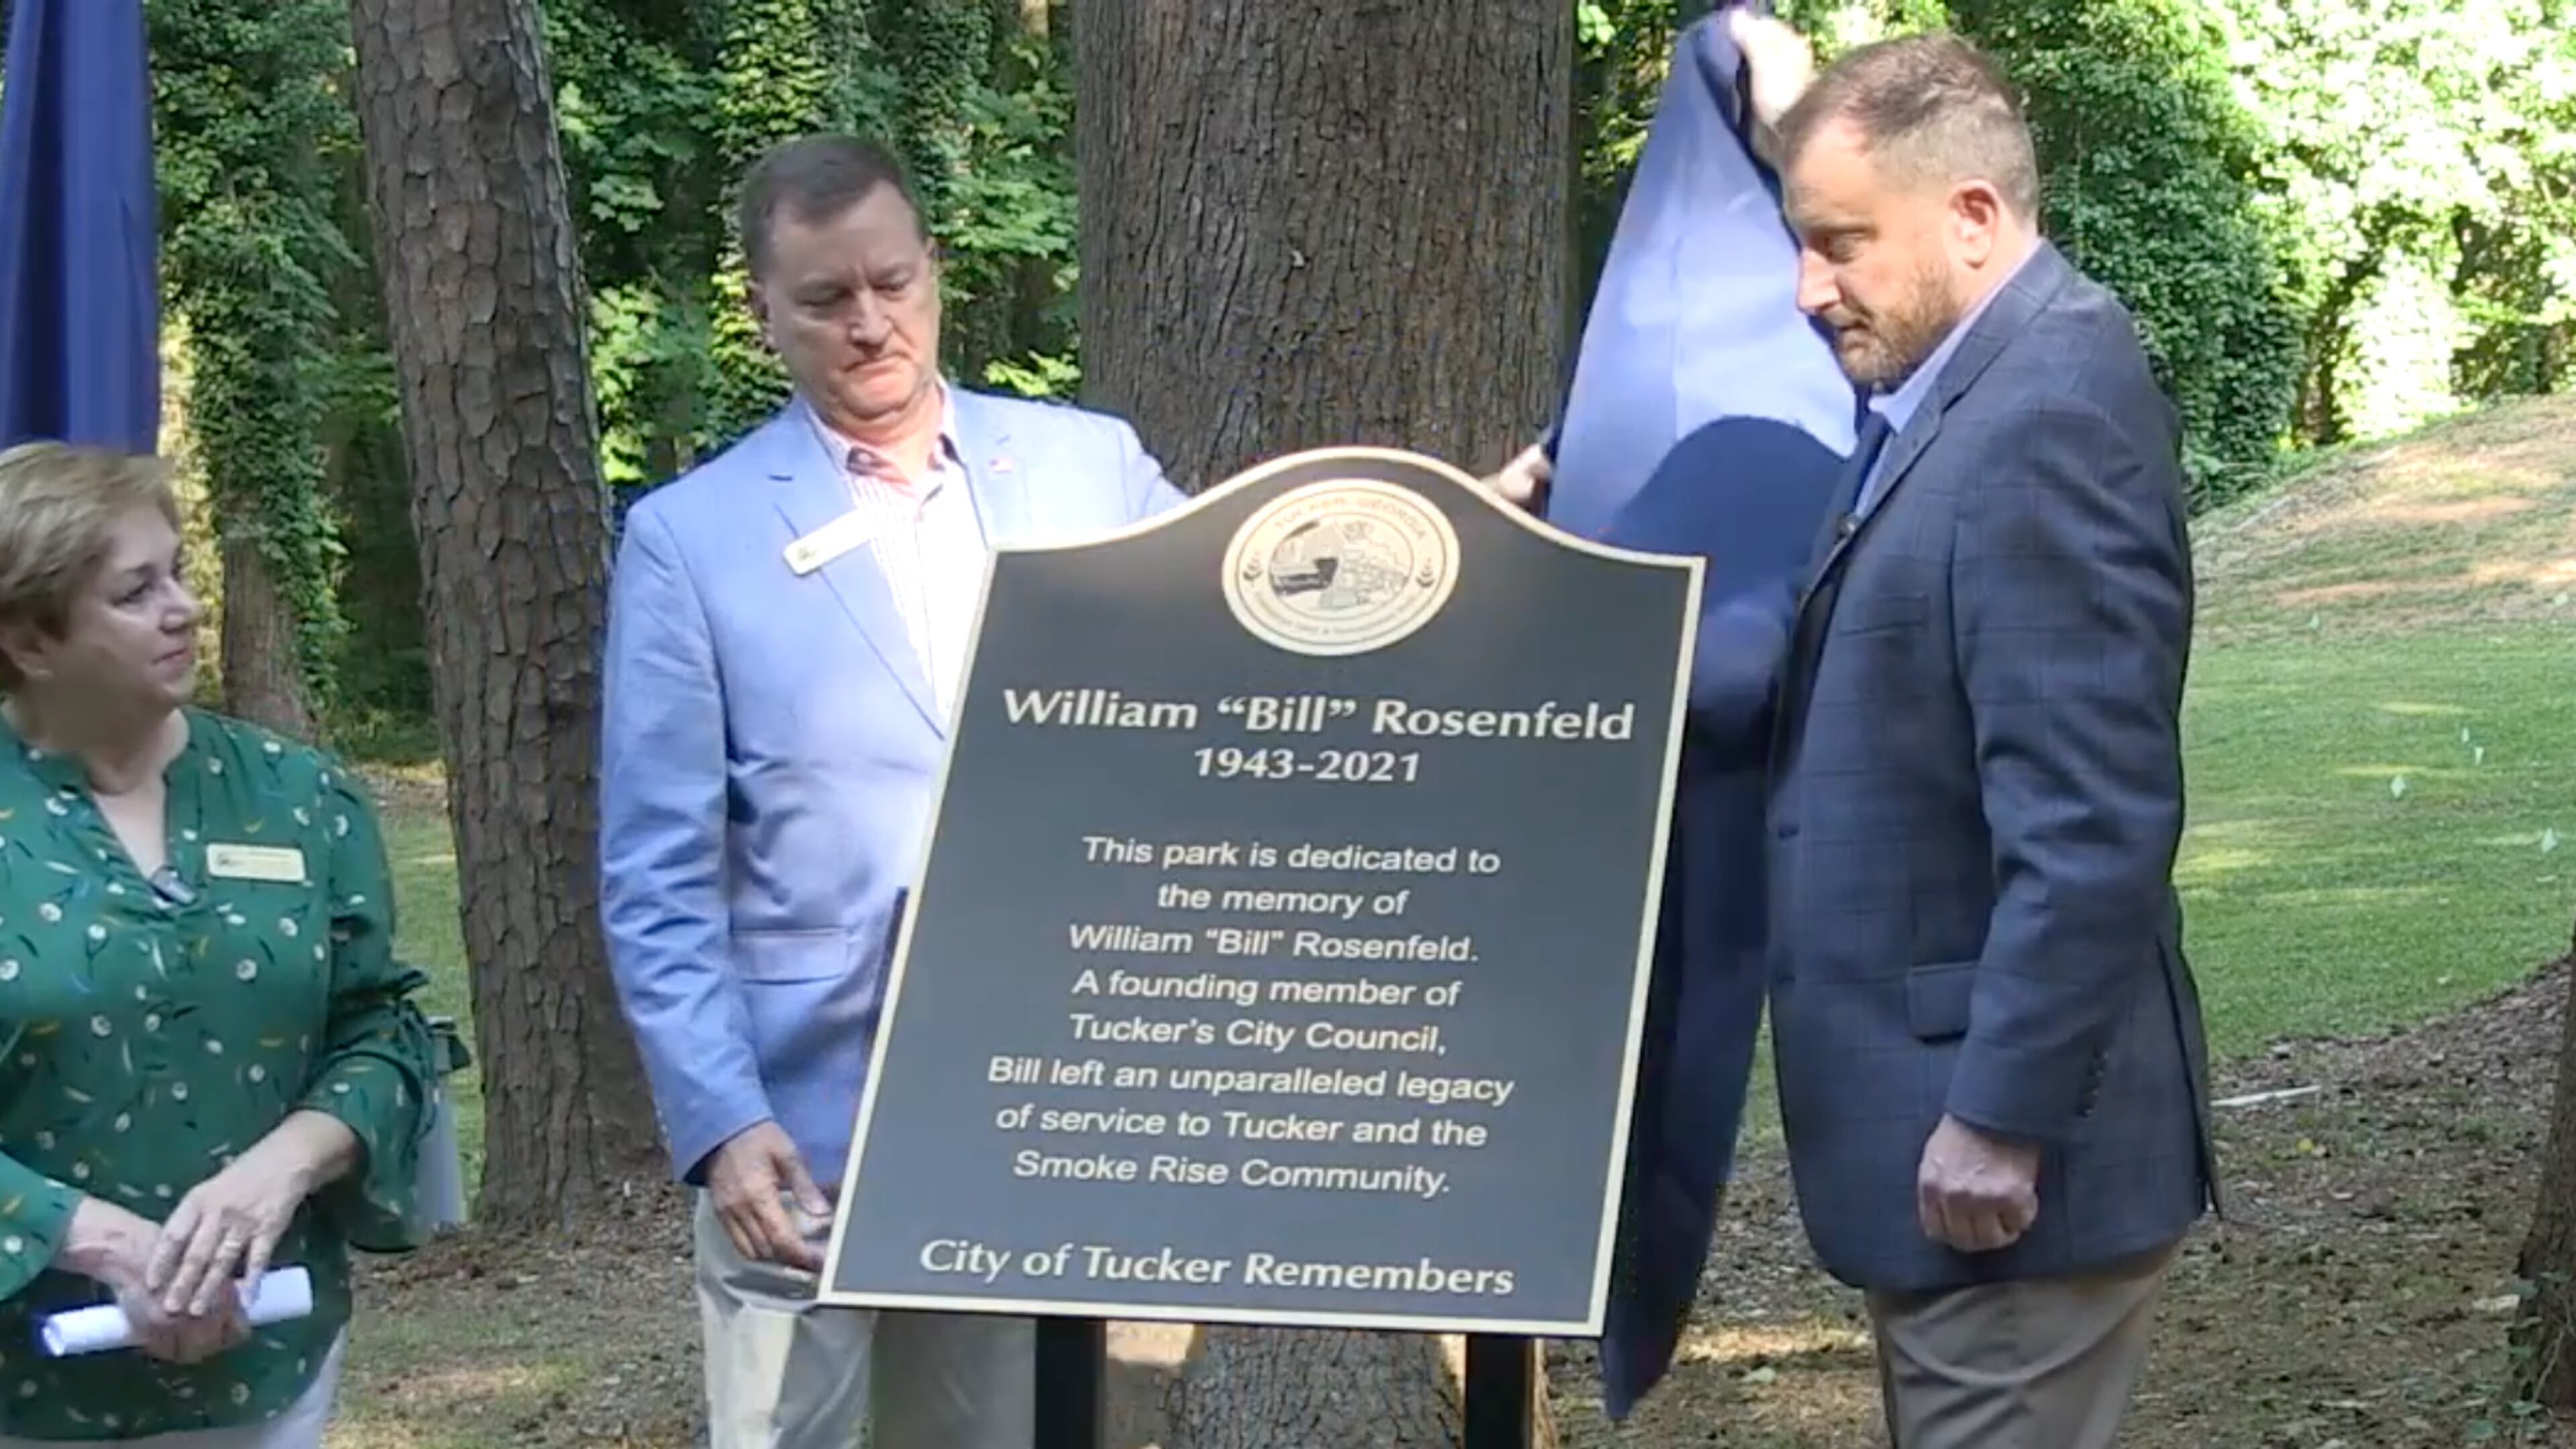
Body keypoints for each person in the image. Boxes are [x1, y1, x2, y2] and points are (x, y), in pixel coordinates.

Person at [596, 133, 1183, 1449]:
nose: (870, 324)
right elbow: (658, 873)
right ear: (763, 313)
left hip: (1044, 1084)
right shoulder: (690, 540)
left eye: (893, 282)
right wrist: (719, 1119)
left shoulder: (1090, 469)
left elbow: (1243, 620)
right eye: (824, 300)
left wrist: (1442, 544)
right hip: (805, 1117)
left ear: (935, 273)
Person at [1735, 19, 2220, 1447]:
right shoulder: (1971, 381)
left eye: (1839, 243)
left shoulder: (2046, 414)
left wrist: (2001, 1118)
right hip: (1948, 1171)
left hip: (2011, 1178)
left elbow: (2093, 817)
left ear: (1970, 216)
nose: (1807, 289)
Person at [0, 441, 436, 1446]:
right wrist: (102, 1245)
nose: (185, 608)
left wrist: (282, 1168)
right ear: (30, 638)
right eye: (136, 591)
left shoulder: (300, 798)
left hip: (268, 1361)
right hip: (27, 1383)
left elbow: (382, 1029)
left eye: (180, 574)